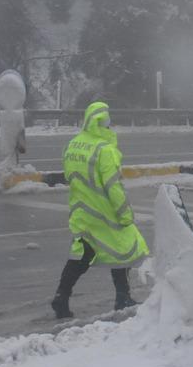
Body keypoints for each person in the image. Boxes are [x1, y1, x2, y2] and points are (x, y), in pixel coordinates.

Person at [50, 101, 150, 319]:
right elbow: (114, 186)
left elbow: (70, 176)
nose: (109, 126)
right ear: (101, 123)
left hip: (81, 210)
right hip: (104, 211)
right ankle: (122, 297)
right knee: (124, 249)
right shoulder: (104, 151)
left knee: (82, 254)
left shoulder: (73, 145)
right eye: (107, 123)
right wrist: (124, 214)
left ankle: (61, 296)